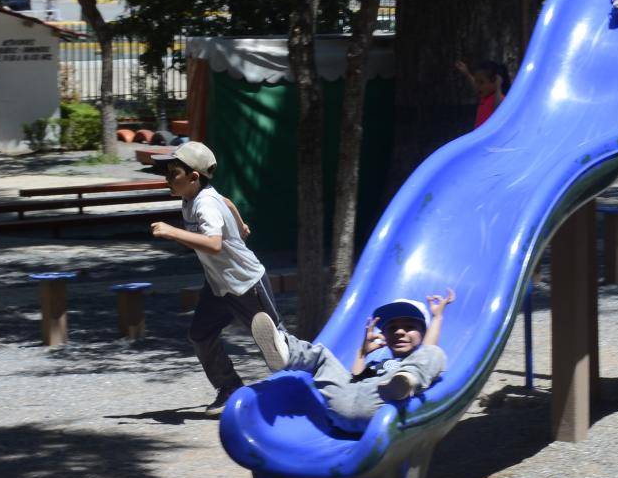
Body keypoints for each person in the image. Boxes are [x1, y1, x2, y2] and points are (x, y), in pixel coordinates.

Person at [148, 142, 284, 411]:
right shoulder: (195, 198)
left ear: (193, 177)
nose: (167, 180)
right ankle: (230, 388)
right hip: (218, 284)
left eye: (173, 173)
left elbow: (213, 244)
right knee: (201, 334)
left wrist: (171, 232)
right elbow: (228, 201)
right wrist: (241, 223)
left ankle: (303, 385)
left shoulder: (204, 204)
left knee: (277, 342)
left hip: (246, 282)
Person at [249, 292, 454, 429]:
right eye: (392, 328)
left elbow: (428, 348)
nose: (400, 331)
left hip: (383, 408)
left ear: (423, 333)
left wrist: (437, 317)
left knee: (435, 354)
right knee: (322, 356)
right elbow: (354, 379)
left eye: (409, 327)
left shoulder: (420, 356)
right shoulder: (379, 361)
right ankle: (287, 351)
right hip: (346, 404)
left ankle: (406, 380)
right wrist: (362, 353)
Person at [454, 59, 511, 128]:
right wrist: (467, 74)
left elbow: (500, 108)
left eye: (481, 82)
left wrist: (498, 86)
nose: (477, 86)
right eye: (476, 82)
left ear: (495, 82)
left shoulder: (497, 98)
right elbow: (475, 84)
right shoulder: (484, 97)